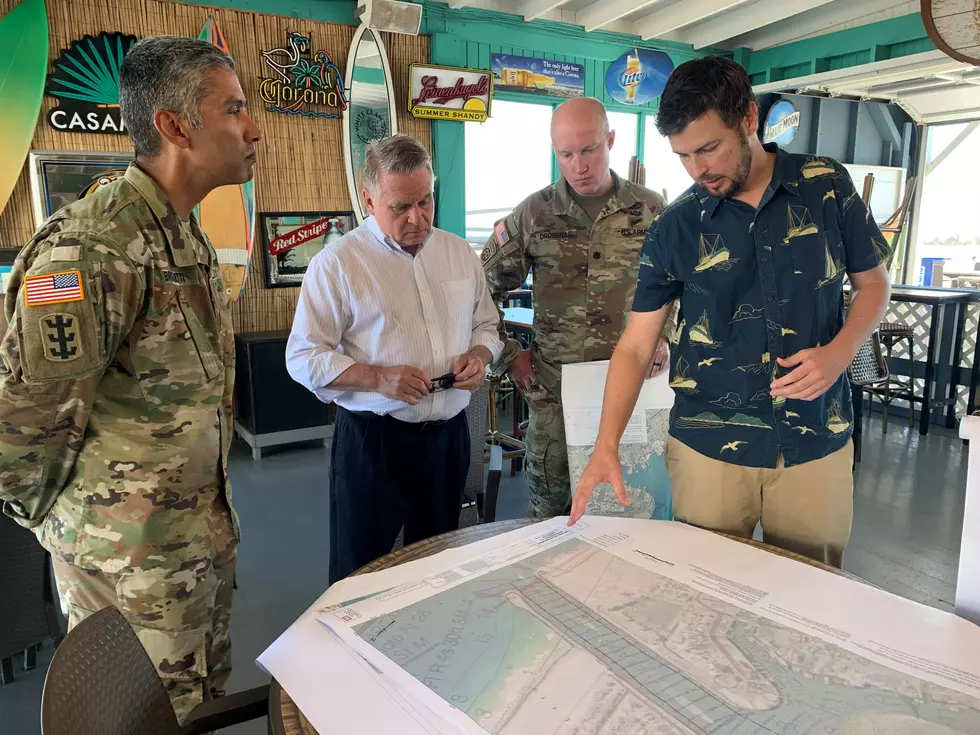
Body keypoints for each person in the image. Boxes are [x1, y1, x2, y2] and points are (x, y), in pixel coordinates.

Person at [0, 37, 260, 721]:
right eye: (233, 109)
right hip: (126, 578)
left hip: (191, 560)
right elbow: (20, 439)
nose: (253, 126)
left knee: (192, 711)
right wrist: (84, 542)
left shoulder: (184, 236)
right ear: (175, 126)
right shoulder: (89, 249)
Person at [569, 56, 892, 568]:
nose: (698, 169)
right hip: (709, 447)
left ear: (748, 120)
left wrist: (839, 355)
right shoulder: (676, 227)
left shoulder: (825, 185)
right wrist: (606, 445)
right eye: (683, 156)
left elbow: (873, 284)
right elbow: (635, 344)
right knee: (704, 601)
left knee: (814, 598)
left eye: (709, 148)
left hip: (816, 438)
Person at [286, 134, 503, 585]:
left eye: (425, 202)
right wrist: (377, 378)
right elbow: (303, 356)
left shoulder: (460, 253)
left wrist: (481, 356)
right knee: (360, 568)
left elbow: (487, 327)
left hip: (447, 439)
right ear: (368, 198)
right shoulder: (337, 264)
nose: (417, 218)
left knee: (437, 560)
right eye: (399, 207)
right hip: (374, 441)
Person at [482, 97, 672, 519]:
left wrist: (664, 334)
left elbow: (680, 283)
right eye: (566, 155)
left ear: (610, 140)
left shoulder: (651, 209)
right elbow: (480, 289)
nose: (579, 166)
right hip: (555, 393)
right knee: (550, 515)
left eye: (589, 150)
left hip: (632, 390)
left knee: (631, 508)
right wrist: (510, 356)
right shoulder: (535, 213)